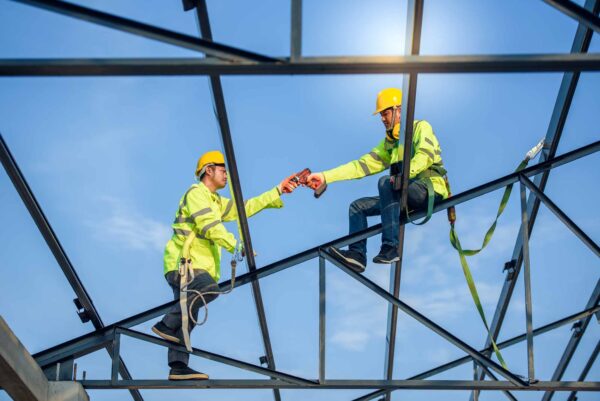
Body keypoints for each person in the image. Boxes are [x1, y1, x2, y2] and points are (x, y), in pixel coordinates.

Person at [152, 150, 298, 380]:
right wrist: (237, 246)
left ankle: (178, 366)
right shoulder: (196, 194)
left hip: (193, 265)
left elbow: (245, 207)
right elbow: (209, 226)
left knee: (188, 318)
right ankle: (165, 324)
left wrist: (278, 190)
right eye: (222, 170)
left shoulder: (216, 201)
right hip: (185, 265)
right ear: (208, 170)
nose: (226, 175)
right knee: (207, 291)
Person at [306, 88, 449, 272]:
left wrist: (404, 176)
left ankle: (390, 247)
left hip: (427, 190)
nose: (382, 118)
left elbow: (425, 156)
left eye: (386, 113)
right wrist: (326, 176)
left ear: (399, 110)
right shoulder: (390, 144)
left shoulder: (420, 127)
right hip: (402, 193)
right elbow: (360, 166)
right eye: (381, 114)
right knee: (357, 207)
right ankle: (357, 255)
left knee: (385, 182)